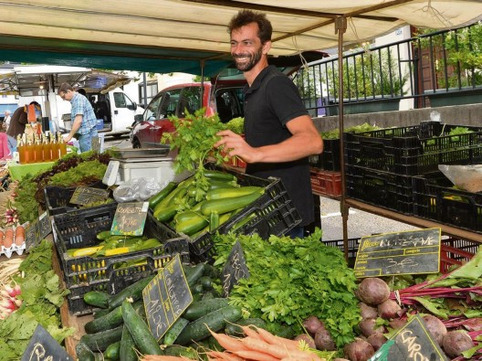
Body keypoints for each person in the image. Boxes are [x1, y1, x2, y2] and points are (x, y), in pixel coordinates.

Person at [215, 10, 323, 238]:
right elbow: (272, 135)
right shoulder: (253, 89)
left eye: (247, 42)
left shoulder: (275, 85)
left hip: (286, 216)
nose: (238, 50)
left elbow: (312, 141)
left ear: (265, 47)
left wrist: (255, 153)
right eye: (234, 43)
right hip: (268, 210)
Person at [58, 83, 98, 152]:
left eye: (63, 97)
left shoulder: (78, 100)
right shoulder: (76, 99)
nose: (64, 99)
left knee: (89, 158)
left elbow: (78, 121)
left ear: (68, 91)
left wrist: (69, 137)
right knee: (96, 156)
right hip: (91, 132)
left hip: (87, 134)